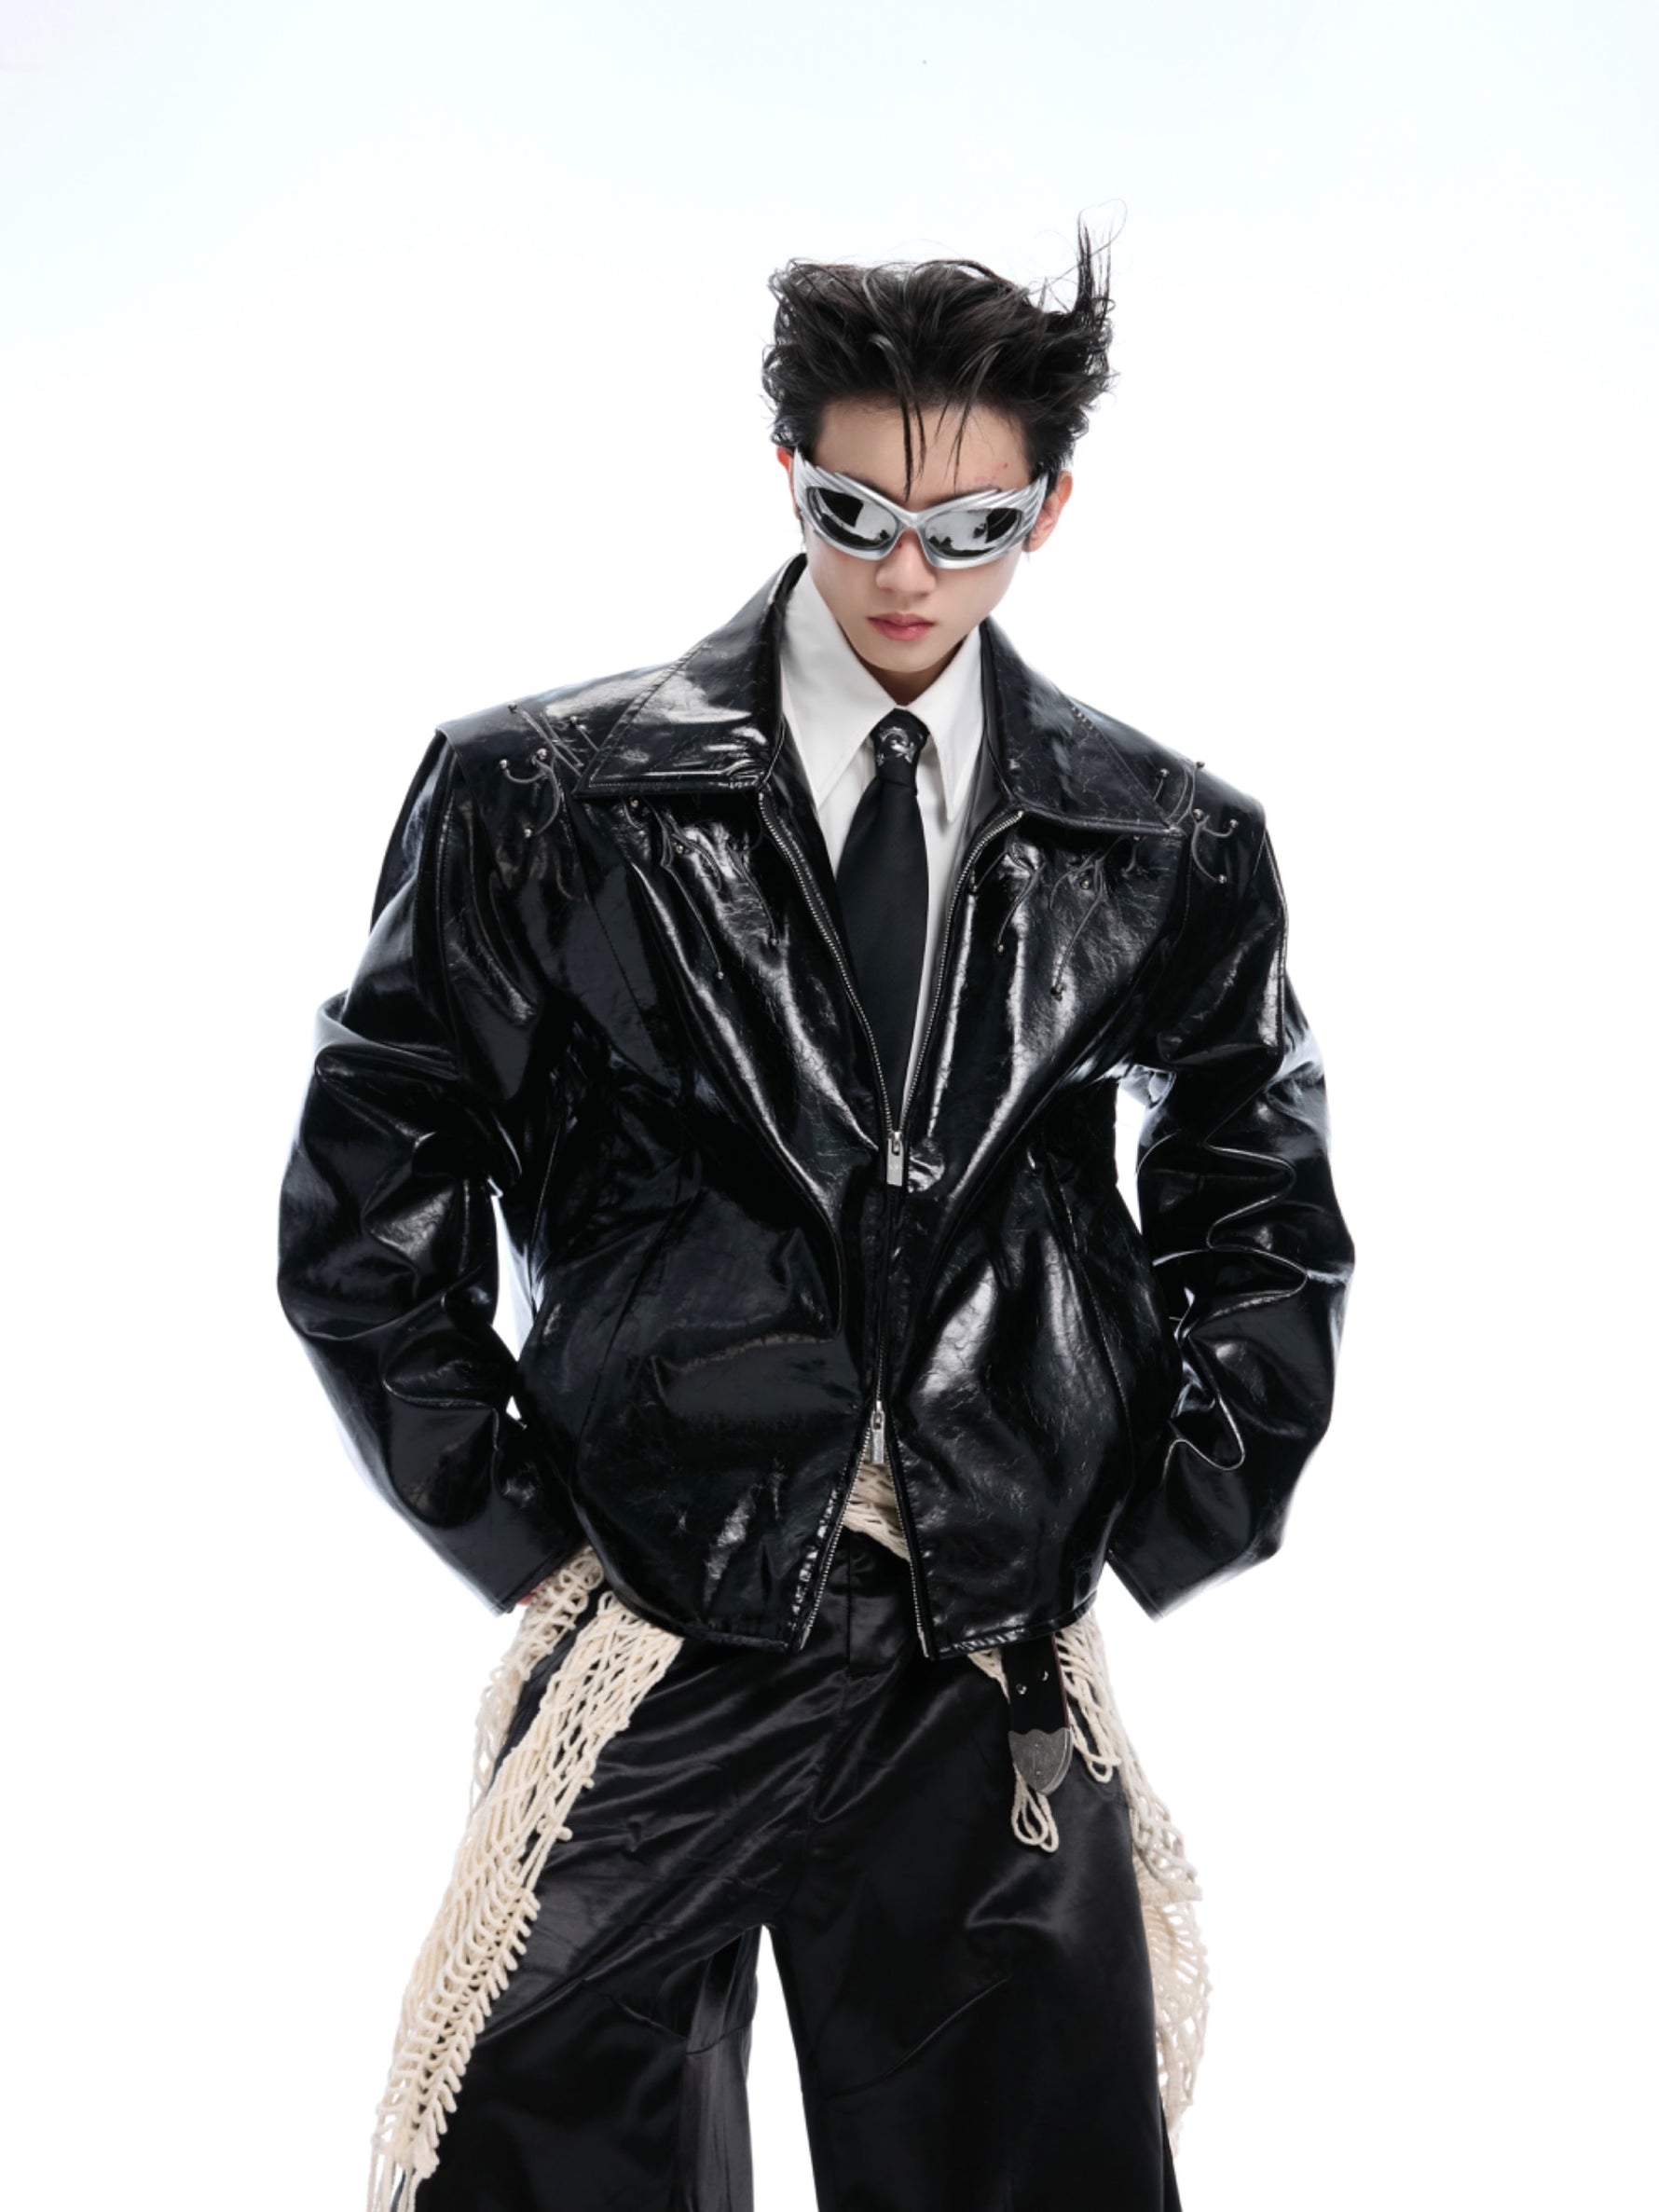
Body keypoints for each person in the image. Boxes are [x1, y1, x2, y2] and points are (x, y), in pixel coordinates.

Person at [276, 218, 1355, 2212]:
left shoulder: (1160, 840)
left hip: (983, 1658)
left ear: (1050, 509)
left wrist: (1164, 1508)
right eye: (857, 511)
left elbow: (1259, 1195)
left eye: (972, 527)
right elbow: (370, 1187)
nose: (905, 573)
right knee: (530, 2140)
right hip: (659, 1623)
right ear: (788, 473)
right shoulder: (547, 800)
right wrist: (517, 1529)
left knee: (1021, 2166)